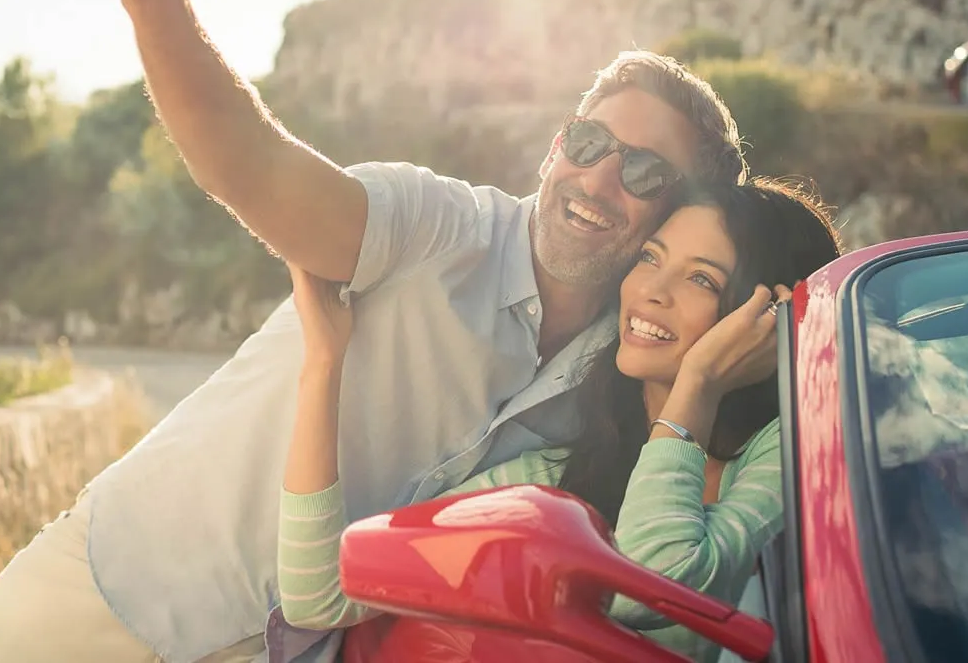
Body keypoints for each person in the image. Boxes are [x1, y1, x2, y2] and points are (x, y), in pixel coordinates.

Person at [0, 0, 748, 663]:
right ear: (554, 147)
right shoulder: (436, 225)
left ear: (675, 215)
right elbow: (253, 169)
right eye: (588, 144)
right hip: (115, 595)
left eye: (645, 173)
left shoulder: (619, 381)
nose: (599, 179)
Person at [278, 178, 844, 662]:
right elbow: (322, 595)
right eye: (650, 257)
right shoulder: (552, 478)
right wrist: (324, 364)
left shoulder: (794, 452)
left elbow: (655, 587)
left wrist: (699, 385)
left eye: (701, 279)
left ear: (767, 318)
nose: (650, 291)